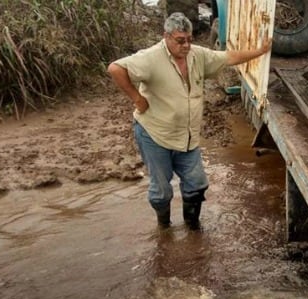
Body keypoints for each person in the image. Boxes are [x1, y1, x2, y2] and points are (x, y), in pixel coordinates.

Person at [108, 12, 271, 230]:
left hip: (187, 136)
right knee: (162, 190)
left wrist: (259, 52)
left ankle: (193, 229)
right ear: (166, 36)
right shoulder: (151, 58)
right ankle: (164, 228)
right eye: (180, 41)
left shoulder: (197, 55)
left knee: (197, 184)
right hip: (155, 134)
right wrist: (137, 98)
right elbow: (116, 68)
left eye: (189, 40)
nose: (186, 45)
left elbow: (228, 57)